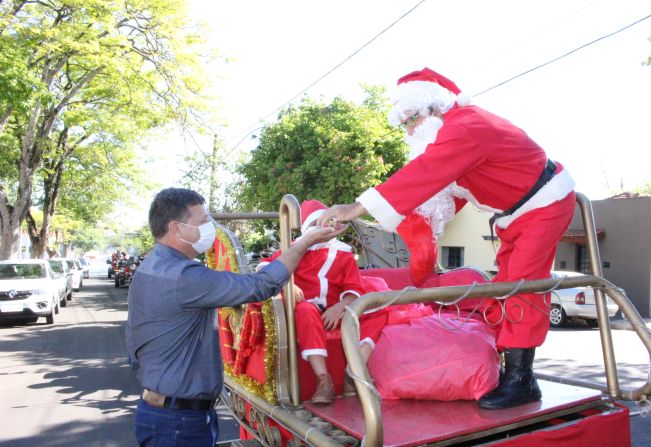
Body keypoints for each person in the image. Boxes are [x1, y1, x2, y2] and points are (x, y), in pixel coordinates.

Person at [316, 68, 576, 410]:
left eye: (409, 119)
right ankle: (518, 375)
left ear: (434, 108)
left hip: (545, 204)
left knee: (522, 289)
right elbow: (442, 195)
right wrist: (421, 233)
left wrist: (355, 208)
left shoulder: (466, 126)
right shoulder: (453, 135)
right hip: (516, 214)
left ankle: (521, 381)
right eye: (403, 123)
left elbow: (425, 173)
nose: (407, 130)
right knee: (509, 288)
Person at [126, 188, 347, 447]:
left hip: (165, 411)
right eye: (203, 221)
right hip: (179, 422)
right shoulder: (183, 276)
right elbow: (260, 286)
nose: (210, 227)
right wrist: (304, 243)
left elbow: (134, 348)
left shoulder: (150, 268)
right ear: (176, 228)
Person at [258, 200, 387, 404]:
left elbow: (354, 289)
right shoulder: (295, 249)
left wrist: (339, 308)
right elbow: (264, 269)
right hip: (305, 308)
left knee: (378, 311)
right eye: (318, 225)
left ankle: (353, 373)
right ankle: (323, 380)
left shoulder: (343, 254)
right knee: (306, 311)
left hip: (336, 311)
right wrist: (286, 285)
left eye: (329, 224)